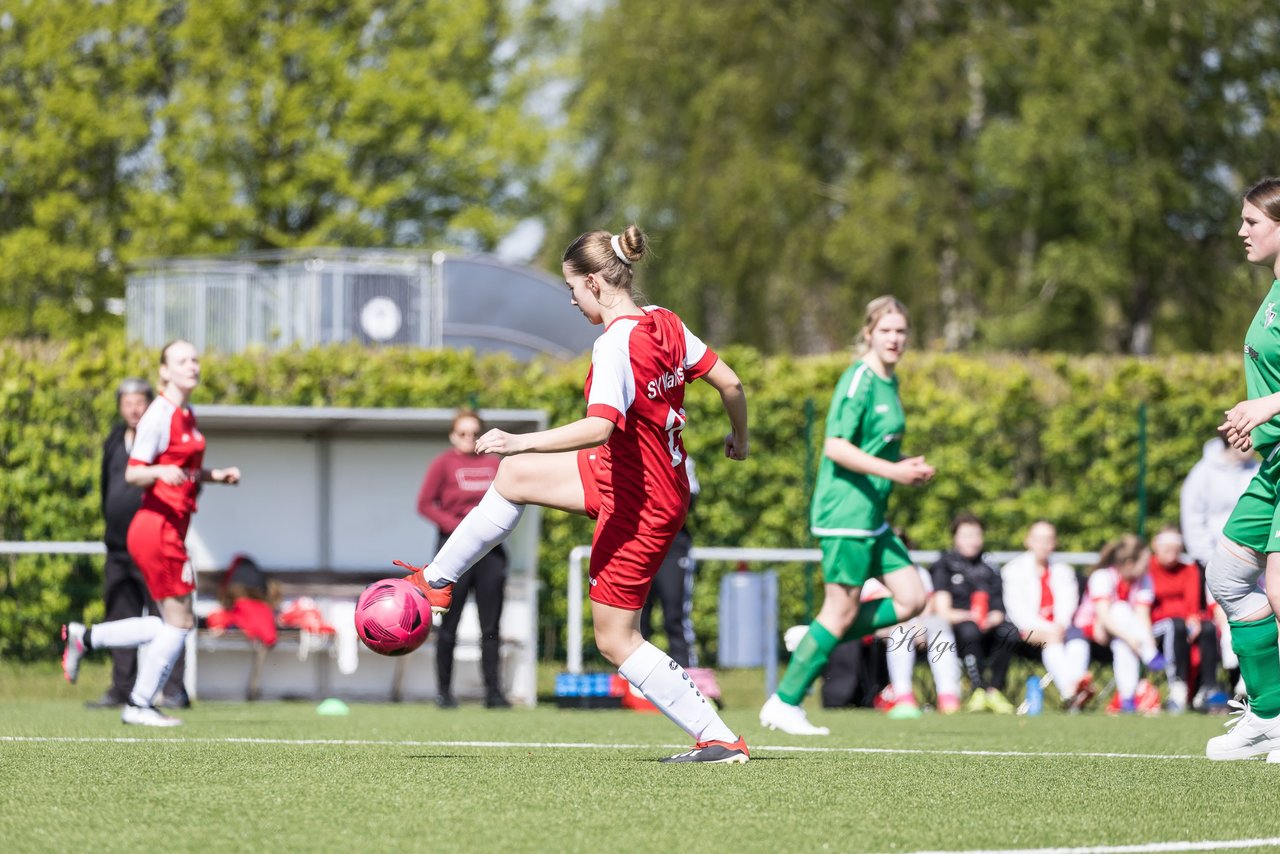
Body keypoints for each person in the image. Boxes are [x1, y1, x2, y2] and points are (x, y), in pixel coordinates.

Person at [396, 226, 751, 763]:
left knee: (614, 638)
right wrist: (739, 439)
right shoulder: (665, 323)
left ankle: (719, 738)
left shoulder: (613, 344)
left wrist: (520, 438)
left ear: (593, 282)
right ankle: (437, 580)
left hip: (641, 500)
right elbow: (732, 384)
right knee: (514, 477)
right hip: (638, 476)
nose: (570, 299)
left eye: (572, 289)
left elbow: (599, 426)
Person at [759, 296, 934, 736]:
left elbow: (872, 449)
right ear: (868, 333)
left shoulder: (889, 381)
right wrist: (896, 470)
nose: (895, 338)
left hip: (872, 518)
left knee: (912, 597)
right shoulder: (859, 379)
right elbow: (835, 446)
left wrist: (905, 467)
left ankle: (821, 636)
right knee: (841, 610)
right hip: (845, 516)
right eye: (887, 330)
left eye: (901, 331)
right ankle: (785, 701)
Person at [62, 340, 241, 726]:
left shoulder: (186, 413)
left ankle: (86, 638)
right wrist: (160, 473)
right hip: (156, 528)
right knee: (181, 622)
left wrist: (215, 476)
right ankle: (139, 704)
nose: (192, 365)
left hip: (169, 527)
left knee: (169, 623)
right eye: (182, 360)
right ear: (164, 371)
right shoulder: (158, 414)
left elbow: (183, 470)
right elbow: (134, 472)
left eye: (195, 358)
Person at [1203, 177, 1280, 758]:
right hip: (1274, 465)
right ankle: (1270, 716)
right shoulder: (1274, 290)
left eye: (1252, 222)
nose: (1241, 232)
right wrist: (1253, 420)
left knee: (1278, 588)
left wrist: (1266, 406)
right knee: (1227, 576)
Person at [88, 378, 188, 710]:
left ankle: (173, 689)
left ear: (149, 404)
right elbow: (107, 486)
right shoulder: (114, 441)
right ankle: (121, 689)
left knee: (170, 617)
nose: (134, 408)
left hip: (153, 545)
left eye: (139, 401)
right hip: (118, 548)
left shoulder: (160, 440)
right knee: (120, 616)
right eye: (127, 402)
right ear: (120, 406)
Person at [416, 408, 509, 709]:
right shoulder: (443, 463)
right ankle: (444, 692)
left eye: (474, 433)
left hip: (490, 553)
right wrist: (458, 527)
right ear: (453, 436)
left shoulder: (494, 464)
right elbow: (425, 504)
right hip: (454, 549)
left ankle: (493, 692)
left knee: (491, 625)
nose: (469, 439)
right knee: (448, 623)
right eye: (462, 433)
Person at [1179, 433, 1257, 707]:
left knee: (1261, 617)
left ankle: (1252, 682)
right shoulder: (1202, 474)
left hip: (1256, 561)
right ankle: (1237, 681)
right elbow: (1192, 520)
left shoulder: (1257, 470)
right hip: (1217, 561)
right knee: (1227, 618)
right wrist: (1211, 559)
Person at [932, 512, 1020, 713]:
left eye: (976, 535)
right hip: (957, 626)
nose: (973, 541)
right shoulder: (944, 565)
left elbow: (999, 606)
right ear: (955, 537)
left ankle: (994, 690)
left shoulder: (989, 566)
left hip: (988, 625)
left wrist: (992, 617)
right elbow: (943, 609)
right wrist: (969, 616)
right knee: (969, 631)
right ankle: (978, 689)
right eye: (967, 535)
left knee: (1010, 633)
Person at [1000, 520, 1092, 709]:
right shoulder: (1013, 570)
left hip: (1060, 629)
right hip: (1026, 631)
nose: (1043, 544)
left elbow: (1068, 604)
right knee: (1052, 640)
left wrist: (1059, 626)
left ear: (1054, 543)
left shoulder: (1063, 571)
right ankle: (1074, 691)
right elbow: (1017, 611)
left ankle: (1072, 692)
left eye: (1048, 539)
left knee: (1078, 641)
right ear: (1028, 541)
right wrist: (1050, 630)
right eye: (1038, 539)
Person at [1070, 534, 1165, 715]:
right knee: (1120, 609)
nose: (1148, 567)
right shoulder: (1102, 576)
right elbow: (1104, 617)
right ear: (1129, 563)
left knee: (1122, 644)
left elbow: (1142, 616)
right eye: (1144, 563)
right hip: (1094, 631)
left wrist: (1147, 641)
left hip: (1123, 635)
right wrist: (1132, 639)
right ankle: (1150, 656)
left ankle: (1127, 697)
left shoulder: (1144, 580)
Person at [1147, 525, 1220, 713]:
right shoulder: (1148, 568)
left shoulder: (1188, 570)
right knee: (1175, 626)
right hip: (1156, 625)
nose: (1172, 554)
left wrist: (1194, 619)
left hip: (1184, 621)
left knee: (1209, 628)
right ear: (1156, 546)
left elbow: (1192, 601)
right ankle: (1178, 686)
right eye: (1167, 549)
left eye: (1175, 549)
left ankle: (1208, 688)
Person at [639, 456, 699, 669]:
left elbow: (688, 499)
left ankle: (687, 674)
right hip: (637, 544)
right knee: (635, 618)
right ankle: (634, 681)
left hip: (673, 548)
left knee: (675, 617)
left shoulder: (679, 456)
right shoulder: (629, 451)